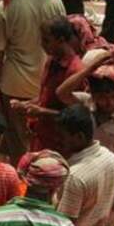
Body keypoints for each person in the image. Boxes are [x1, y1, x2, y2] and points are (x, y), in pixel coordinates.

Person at [0, 0, 67, 161]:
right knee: (45, 139)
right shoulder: (54, 2)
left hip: (15, 85)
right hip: (47, 82)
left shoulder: (5, 8)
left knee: (19, 143)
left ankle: (24, 182)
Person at [56, 52, 114, 226]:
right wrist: (90, 68)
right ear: (93, 95)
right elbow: (61, 92)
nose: (108, 102)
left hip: (112, 182)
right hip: (84, 178)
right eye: (101, 97)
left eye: (112, 96)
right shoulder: (86, 105)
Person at [12, 16, 85, 152]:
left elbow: (76, 116)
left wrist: (41, 112)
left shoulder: (75, 70)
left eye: (46, 41)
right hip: (41, 136)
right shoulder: (51, 61)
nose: (42, 44)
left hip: (60, 143)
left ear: (61, 40)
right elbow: (45, 96)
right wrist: (28, 104)